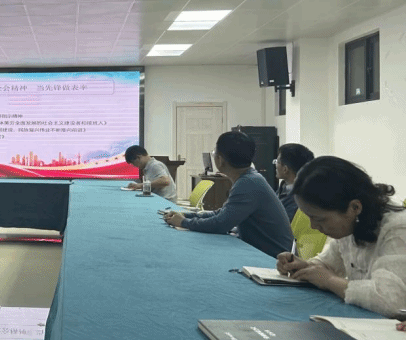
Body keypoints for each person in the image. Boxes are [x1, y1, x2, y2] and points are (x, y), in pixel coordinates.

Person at [276, 156, 406, 318]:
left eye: (320, 219)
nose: (313, 226)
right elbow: (327, 265)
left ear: (354, 207)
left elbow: (391, 300)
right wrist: (303, 267)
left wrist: (329, 281)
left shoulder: (398, 229)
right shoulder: (351, 225)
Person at [163, 131, 293, 257]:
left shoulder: (248, 183)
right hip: (263, 250)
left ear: (220, 160)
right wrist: (186, 215)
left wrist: (184, 222)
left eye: (214, 153)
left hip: (269, 258)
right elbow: (221, 213)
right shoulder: (250, 178)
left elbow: (221, 224)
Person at [275, 143, 315, 222]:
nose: (275, 164)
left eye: (277, 162)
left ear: (285, 169)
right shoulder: (284, 188)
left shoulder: (300, 200)